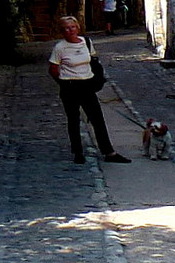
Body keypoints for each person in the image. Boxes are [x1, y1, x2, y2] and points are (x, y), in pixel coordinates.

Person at [49, 16, 130, 165]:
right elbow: (53, 69)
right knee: (73, 120)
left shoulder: (86, 42)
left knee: (97, 119)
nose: (70, 30)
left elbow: (93, 61)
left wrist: (95, 80)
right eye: (66, 28)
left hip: (87, 85)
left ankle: (108, 152)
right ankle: (78, 152)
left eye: (72, 27)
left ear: (77, 28)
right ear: (62, 31)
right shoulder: (60, 48)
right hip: (70, 86)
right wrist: (63, 83)